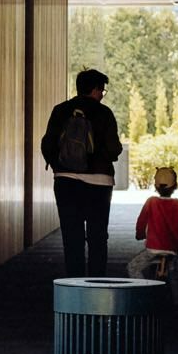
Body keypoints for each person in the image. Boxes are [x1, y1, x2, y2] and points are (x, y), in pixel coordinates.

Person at [41, 69, 124, 277]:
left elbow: (47, 144)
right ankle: (97, 287)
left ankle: (74, 287)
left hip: (66, 181)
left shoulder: (60, 110)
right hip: (99, 182)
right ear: (95, 89)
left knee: (72, 237)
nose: (102, 95)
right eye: (102, 91)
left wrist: (59, 166)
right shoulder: (104, 113)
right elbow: (114, 149)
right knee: (97, 236)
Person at [128, 166, 178, 295]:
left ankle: (144, 292)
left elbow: (141, 222)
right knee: (173, 274)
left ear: (155, 186)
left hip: (153, 248)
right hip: (172, 249)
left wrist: (139, 234)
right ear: (175, 186)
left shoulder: (151, 202)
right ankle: (176, 302)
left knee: (133, 267)